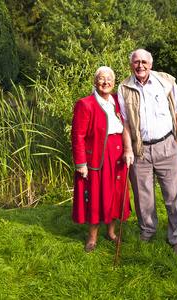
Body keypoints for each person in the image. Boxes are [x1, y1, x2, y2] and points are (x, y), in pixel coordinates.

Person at [117, 49, 177, 256]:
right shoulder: (124, 87)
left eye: (144, 62)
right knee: (142, 196)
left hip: (167, 145)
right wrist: (128, 149)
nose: (140, 65)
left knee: (174, 196)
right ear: (131, 65)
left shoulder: (165, 81)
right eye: (136, 62)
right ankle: (147, 230)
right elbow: (125, 122)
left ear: (151, 62)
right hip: (140, 150)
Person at [71, 66, 130, 253]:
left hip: (117, 155)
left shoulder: (116, 101)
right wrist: (81, 162)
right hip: (96, 156)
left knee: (114, 194)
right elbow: (77, 135)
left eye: (109, 79)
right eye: (102, 79)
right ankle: (92, 237)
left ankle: (110, 232)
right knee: (95, 196)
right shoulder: (85, 103)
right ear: (95, 81)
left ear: (114, 82)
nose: (106, 82)